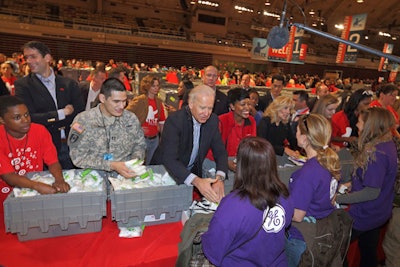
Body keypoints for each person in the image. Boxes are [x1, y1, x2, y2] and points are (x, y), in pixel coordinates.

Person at [202, 137, 293, 266]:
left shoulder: (233, 204)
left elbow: (213, 247)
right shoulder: (284, 195)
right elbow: (287, 222)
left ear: (241, 166)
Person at [335, 107, 397, 267]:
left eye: (360, 121)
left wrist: (339, 198)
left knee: (336, 251)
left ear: (371, 126)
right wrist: (351, 184)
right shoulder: (387, 143)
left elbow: (371, 192)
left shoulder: (376, 153)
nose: (356, 124)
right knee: (368, 251)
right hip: (379, 211)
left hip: (366, 213)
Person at [151, 85, 228, 203]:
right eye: (202, 108)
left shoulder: (212, 121)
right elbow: (169, 159)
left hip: (189, 174)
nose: (206, 113)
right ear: (191, 104)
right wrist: (197, 181)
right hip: (164, 173)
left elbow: (221, 152)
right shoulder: (175, 120)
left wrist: (219, 179)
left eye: (210, 108)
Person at [14, 41, 84, 170]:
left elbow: (80, 115)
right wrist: (61, 113)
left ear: (47, 58)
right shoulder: (23, 86)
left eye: (33, 56)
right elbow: (29, 118)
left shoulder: (69, 84)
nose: (29, 61)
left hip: (72, 145)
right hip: (44, 146)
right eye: (26, 57)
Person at [286, 113, 341, 266]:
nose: (295, 134)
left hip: (303, 237)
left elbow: (297, 215)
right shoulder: (330, 162)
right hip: (323, 229)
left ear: (305, 138)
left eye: (297, 131)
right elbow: (332, 197)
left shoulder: (308, 172)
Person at [68, 78, 146, 178]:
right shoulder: (83, 120)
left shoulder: (130, 118)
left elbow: (140, 145)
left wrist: (133, 164)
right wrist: (112, 165)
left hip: (124, 179)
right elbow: (78, 157)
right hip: (94, 179)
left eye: (124, 101)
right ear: (102, 98)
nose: (122, 106)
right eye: (116, 101)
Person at [0, 96, 70, 205]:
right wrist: (37, 186)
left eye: (26, 114)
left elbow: (52, 162)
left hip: (35, 189)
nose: (25, 120)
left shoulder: (39, 130)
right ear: (2, 120)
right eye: (17, 117)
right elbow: (8, 176)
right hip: (6, 194)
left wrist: (59, 180)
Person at [206, 88, 256, 172]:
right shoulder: (221, 121)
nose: (247, 108)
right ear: (232, 106)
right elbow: (211, 150)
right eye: (243, 104)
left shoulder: (251, 121)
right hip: (217, 162)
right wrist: (225, 162)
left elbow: (252, 146)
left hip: (241, 161)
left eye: (249, 104)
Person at [126, 75, 166, 165]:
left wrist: (163, 139)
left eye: (157, 86)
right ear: (147, 87)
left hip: (154, 139)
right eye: (153, 86)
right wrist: (137, 128)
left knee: (149, 164)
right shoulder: (140, 100)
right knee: (137, 164)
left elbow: (162, 122)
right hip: (142, 139)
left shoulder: (159, 102)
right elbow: (126, 115)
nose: (156, 88)